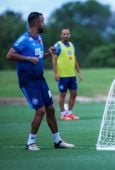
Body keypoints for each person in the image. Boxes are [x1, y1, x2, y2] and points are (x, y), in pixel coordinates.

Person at [6, 12, 75, 151]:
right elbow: (9, 55)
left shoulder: (39, 39)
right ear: (36, 23)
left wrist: (49, 53)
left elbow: (37, 57)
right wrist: (27, 59)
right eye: (42, 21)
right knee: (40, 110)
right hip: (28, 80)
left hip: (40, 79)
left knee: (50, 109)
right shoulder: (23, 39)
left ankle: (58, 141)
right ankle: (30, 143)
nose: (44, 24)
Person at [51, 28, 83, 120]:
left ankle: (69, 113)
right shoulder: (58, 45)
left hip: (72, 75)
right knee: (63, 94)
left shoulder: (72, 45)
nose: (66, 35)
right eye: (64, 34)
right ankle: (62, 114)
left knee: (74, 93)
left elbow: (74, 59)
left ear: (70, 35)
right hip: (62, 76)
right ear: (61, 35)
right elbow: (54, 59)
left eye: (67, 34)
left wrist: (79, 72)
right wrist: (56, 73)